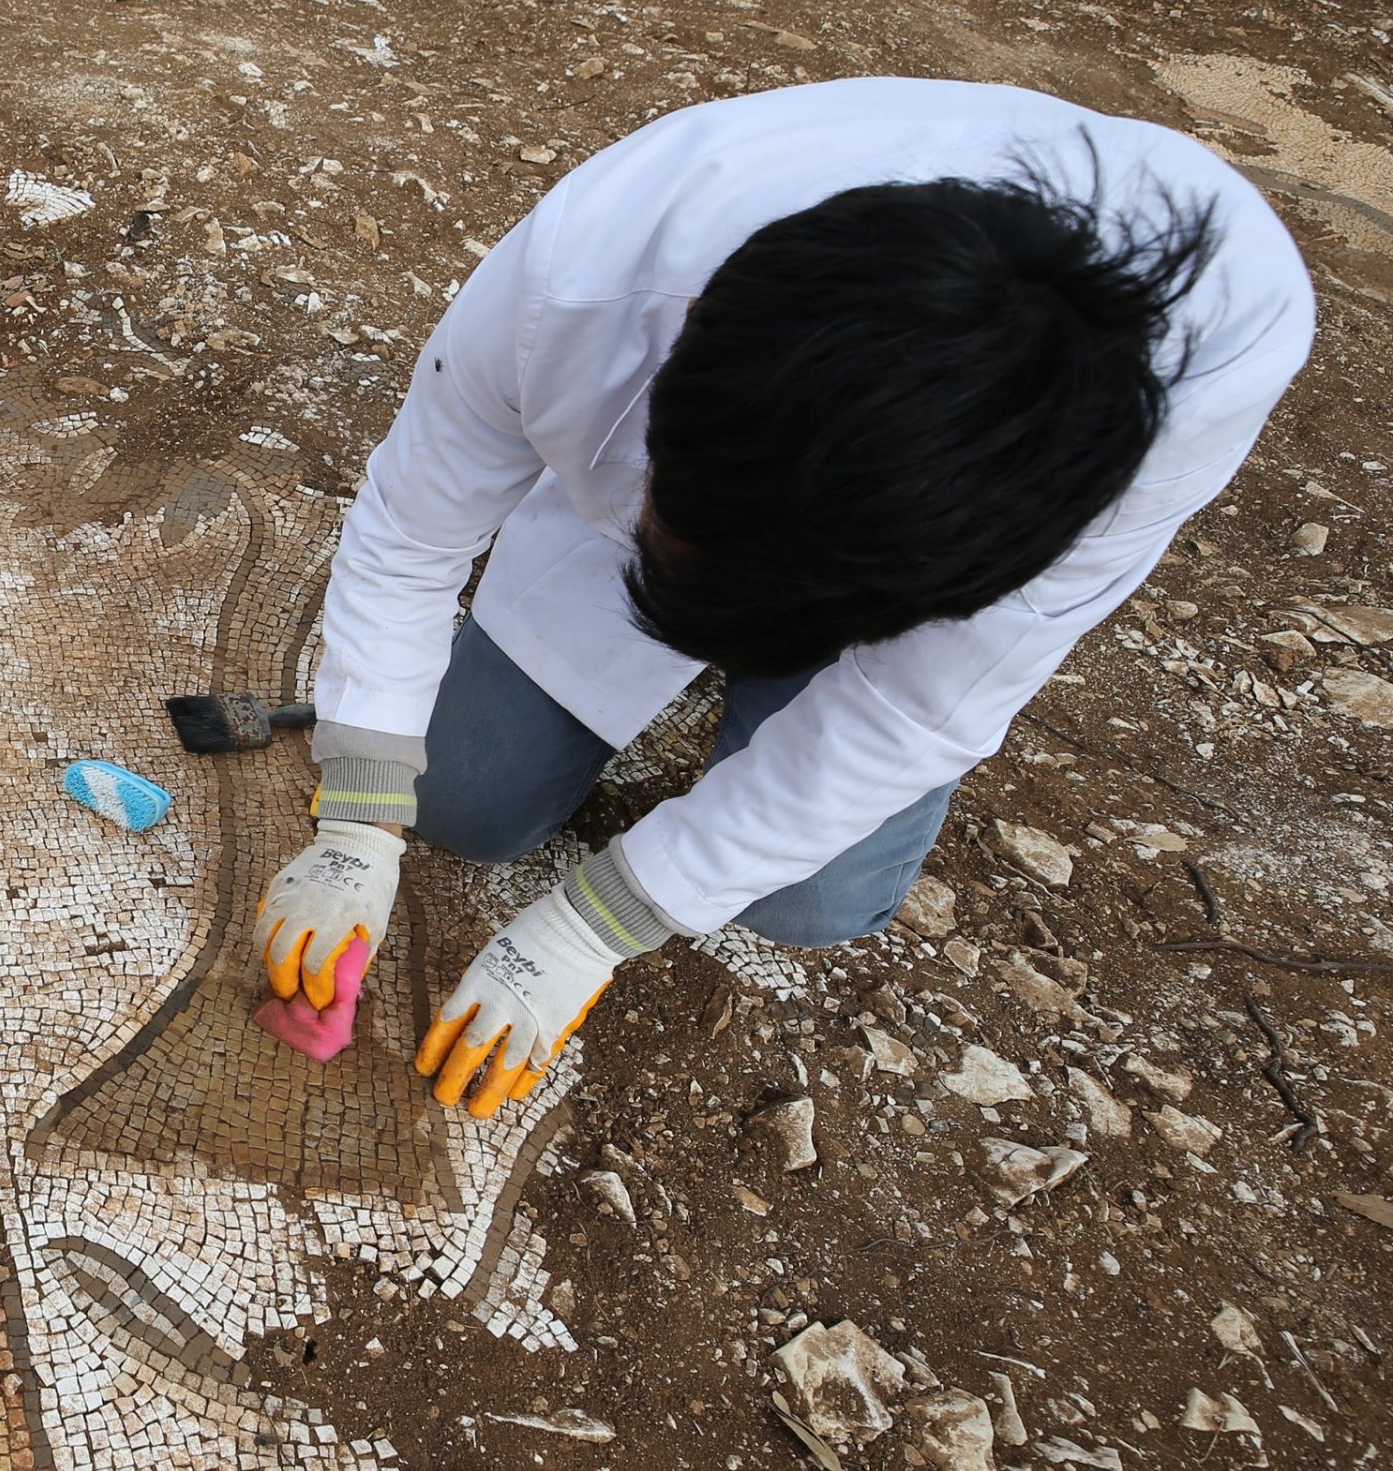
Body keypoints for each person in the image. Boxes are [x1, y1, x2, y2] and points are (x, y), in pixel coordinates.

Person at [253, 78, 1314, 1118]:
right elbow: (413, 523)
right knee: (458, 797)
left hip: (897, 535)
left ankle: (778, 636)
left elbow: (913, 710)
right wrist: (358, 809)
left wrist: (590, 928)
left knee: (810, 898)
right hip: (754, 462)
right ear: (688, 357)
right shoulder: (600, 256)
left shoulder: (1175, 404)